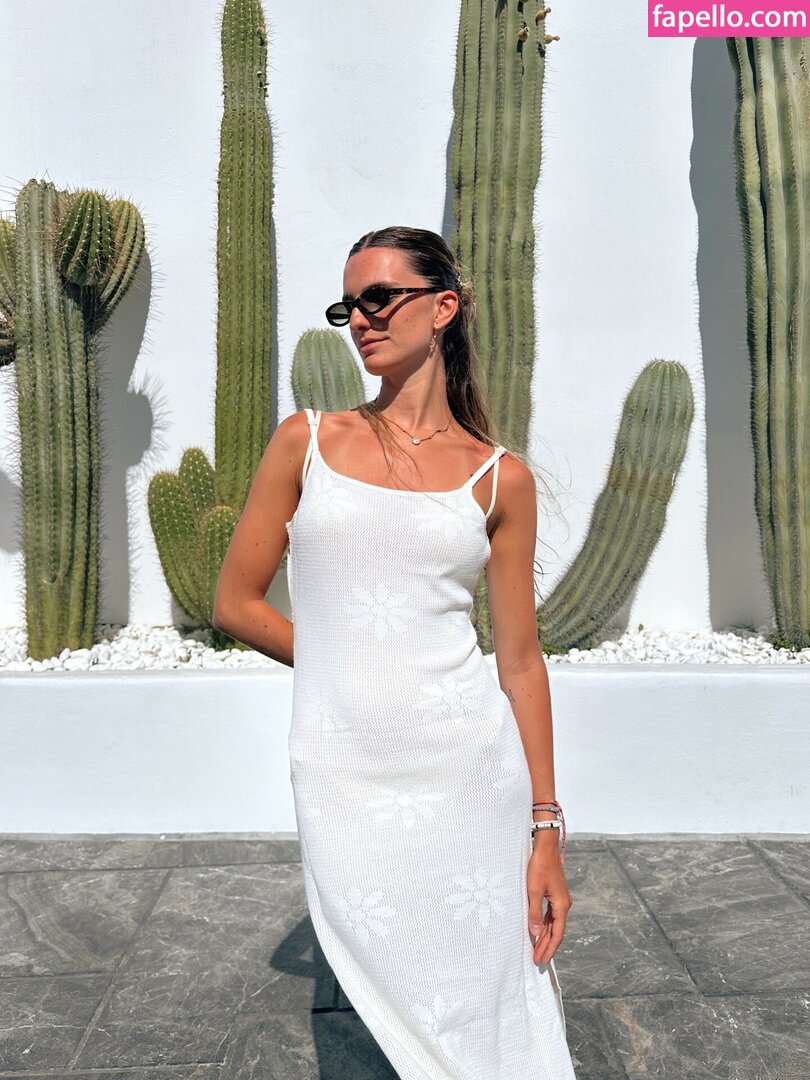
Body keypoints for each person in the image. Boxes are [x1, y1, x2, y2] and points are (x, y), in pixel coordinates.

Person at [213, 225, 577, 1078]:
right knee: (390, 986)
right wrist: (344, 669)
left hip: (468, 769)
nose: (361, 320)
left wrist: (546, 831)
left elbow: (520, 663)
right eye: (348, 306)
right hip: (344, 769)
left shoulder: (499, 477)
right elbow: (236, 603)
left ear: (443, 307)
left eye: (380, 298)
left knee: (490, 1004)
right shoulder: (306, 441)